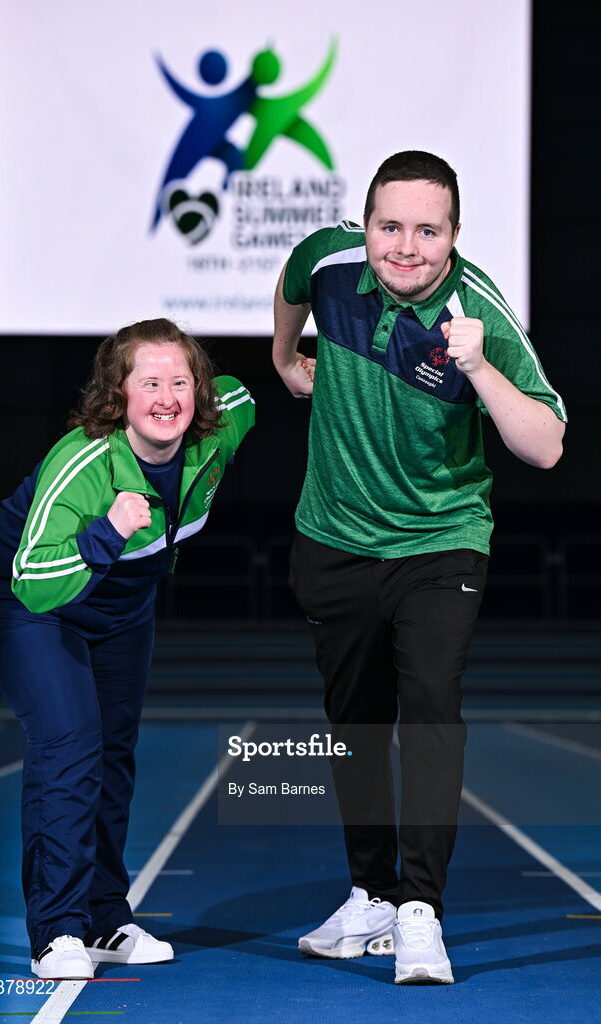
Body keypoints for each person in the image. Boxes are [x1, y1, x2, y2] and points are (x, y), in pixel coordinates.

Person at [272, 151, 565, 985]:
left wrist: (476, 368)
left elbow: (546, 445)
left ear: (454, 236)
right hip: (332, 538)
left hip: (440, 542)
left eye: (427, 231)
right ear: (363, 227)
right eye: (389, 227)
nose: (406, 247)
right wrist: (286, 356)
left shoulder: (480, 311)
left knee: (432, 709)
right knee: (356, 723)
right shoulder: (328, 263)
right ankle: (369, 892)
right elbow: (292, 286)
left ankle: (420, 911)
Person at [0, 318, 254, 980]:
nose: (167, 397)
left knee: (114, 751)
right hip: (29, 595)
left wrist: (299, 368)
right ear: (117, 394)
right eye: (149, 382)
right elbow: (32, 580)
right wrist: (105, 533)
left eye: (181, 381)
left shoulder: (217, 428)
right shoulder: (85, 464)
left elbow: (244, 395)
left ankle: (103, 919)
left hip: (124, 602)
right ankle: (57, 931)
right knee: (70, 741)